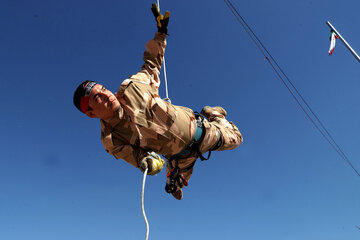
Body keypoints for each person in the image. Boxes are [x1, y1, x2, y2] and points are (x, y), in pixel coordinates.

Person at [73, 4, 243, 200]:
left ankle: (215, 115)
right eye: (97, 98)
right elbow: (139, 158)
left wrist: (161, 33)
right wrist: (149, 163)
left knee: (237, 139)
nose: (106, 94)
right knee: (177, 182)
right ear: (91, 113)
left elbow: (151, 62)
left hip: (202, 133)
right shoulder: (111, 139)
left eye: (103, 89)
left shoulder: (133, 87)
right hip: (180, 158)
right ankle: (175, 181)